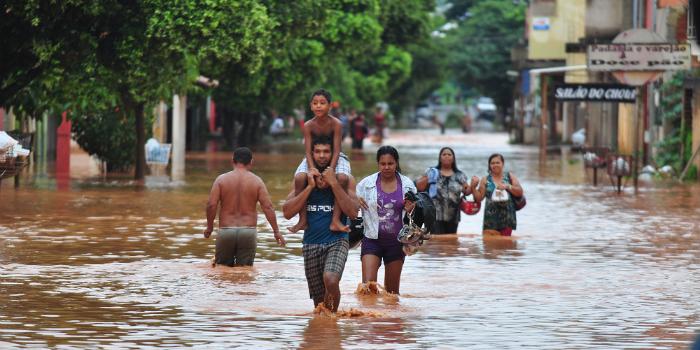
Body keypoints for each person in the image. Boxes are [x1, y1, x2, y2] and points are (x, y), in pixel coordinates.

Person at [282, 136, 359, 312]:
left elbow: (354, 213)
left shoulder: (345, 179)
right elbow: (287, 213)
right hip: (311, 243)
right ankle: (325, 329)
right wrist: (309, 187)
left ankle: (332, 323)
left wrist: (334, 184)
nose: (322, 156)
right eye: (318, 152)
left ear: (333, 155)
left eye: (326, 152)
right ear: (311, 154)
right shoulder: (303, 179)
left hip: (337, 241)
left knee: (331, 279)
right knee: (319, 304)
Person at [203, 147, 286, 266]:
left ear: (232, 160)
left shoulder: (221, 180)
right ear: (251, 162)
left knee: (222, 271)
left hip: (226, 231)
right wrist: (276, 231)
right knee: (245, 273)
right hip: (248, 231)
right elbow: (268, 207)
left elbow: (211, 205)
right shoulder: (257, 181)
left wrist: (209, 228)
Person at [356, 146, 417, 295]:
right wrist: (355, 200)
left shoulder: (407, 185)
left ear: (396, 163)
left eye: (390, 163)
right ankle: (369, 317)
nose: (386, 167)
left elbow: (416, 216)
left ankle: (388, 319)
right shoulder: (366, 184)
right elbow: (351, 207)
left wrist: (412, 209)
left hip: (396, 243)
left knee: (392, 294)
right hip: (372, 240)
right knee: (368, 289)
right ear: (378, 164)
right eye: (383, 164)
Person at [289, 89, 352, 234]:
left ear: (329, 106)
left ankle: (335, 220)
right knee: (299, 178)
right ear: (311, 106)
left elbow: (337, 150)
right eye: (315, 103)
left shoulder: (336, 124)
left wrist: (330, 170)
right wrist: (313, 170)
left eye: (322, 103)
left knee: (342, 178)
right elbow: (307, 151)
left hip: (336, 156)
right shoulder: (308, 125)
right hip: (313, 156)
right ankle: (303, 219)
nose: (318, 106)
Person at [416, 147, 479, 234]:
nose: (446, 156)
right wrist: (428, 177)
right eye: (444, 154)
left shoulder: (459, 175)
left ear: (453, 158)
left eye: (449, 154)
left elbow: (466, 192)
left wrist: (473, 185)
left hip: (453, 216)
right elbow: (419, 187)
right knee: (436, 243)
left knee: (450, 244)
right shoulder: (432, 171)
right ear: (440, 158)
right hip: (435, 215)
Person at [472, 153, 524, 236]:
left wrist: (508, 186)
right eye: (492, 163)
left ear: (502, 164)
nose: (495, 165)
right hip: (490, 219)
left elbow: (520, 192)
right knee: (488, 246)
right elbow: (479, 198)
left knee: (504, 246)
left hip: (507, 219)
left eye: (497, 162)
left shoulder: (509, 176)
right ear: (489, 165)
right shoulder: (485, 179)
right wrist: (473, 188)